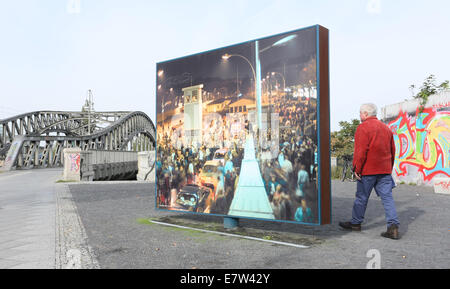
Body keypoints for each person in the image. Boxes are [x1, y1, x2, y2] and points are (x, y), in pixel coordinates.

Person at [339, 103, 400, 240]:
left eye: (360, 113)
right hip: (384, 170)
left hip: (368, 170)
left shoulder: (363, 128)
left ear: (365, 114)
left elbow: (361, 151)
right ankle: (393, 226)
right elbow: (392, 150)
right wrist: (388, 168)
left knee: (361, 197)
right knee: (387, 198)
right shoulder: (386, 128)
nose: (359, 115)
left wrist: (357, 169)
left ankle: (356, 223)